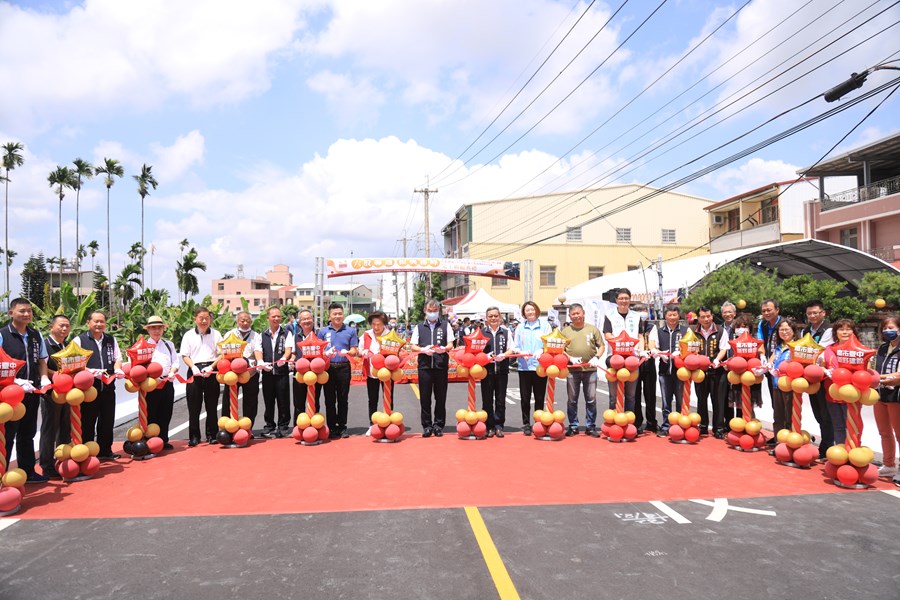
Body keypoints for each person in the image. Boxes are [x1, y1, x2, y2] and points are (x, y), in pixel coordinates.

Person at [2, 298, 50, 482]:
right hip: (10, 395)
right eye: (22, 311)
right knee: (7, 435)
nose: (26, 314)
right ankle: (2, 475)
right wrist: (14, 380)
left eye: (29, 311)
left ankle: (28, 471)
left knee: (27, 433)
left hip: (32, 392)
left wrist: (44, 378)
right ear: (11, 313)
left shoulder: (35, 335)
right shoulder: (3, 335)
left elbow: (42, 361)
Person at [75, 310, 122, 460]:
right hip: (89, 388)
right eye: (95, 321)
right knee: (88, 421)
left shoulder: (111, 340)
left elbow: (117, 358)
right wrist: (91, 371)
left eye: (102, 321)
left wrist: (118, 369)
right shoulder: (79, 340)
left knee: (107, 420)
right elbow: (74, 363)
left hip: (108, 386)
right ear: (88, 322)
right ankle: (87, 453)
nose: (99, 324)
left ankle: (105, 451)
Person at [410, 298, 454, 437]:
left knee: (441, 397)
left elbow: (451, 344)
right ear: (425, 311)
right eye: (430, 311)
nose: (432, 313)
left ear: (439, 312)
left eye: (435, 311)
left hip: (440, 366)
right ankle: (427, 425)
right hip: (425, 367)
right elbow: (413, 346)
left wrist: (443, 348)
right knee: (425, 397)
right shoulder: (419, 326)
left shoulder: (445, 325)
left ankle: (439, 425)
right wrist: (423, 349)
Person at [179, 306, 222, 446]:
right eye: (201, 318)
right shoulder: (188, 335)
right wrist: (193, 367)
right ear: (195, 319)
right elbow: (185, 355)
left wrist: (212, 366)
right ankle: (194, 436)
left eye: (207, 318)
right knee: (194, 407)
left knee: (212, 405)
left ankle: (212, 435)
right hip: (194, 370)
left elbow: (222, 354)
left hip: (211, 369)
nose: (204, 321)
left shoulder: (216, 334)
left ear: (210, 319)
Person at [562, 303, 605, 437]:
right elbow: (560, 349)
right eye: (573, 314)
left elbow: (602, 346)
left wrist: (597, 357)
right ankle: (573, 426)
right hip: (572, 370)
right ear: (569, 316)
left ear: (583, 313)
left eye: (578, 313)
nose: (576, 316)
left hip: (590, 369)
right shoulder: (565, 331)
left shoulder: (593, 329)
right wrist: (570, 358)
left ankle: (590, 426)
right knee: (572, 400)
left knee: (591, 399)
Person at [318, 303, 358, 438]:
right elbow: (319, 351)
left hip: (344, 368)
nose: (337, 316)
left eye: (340, 314)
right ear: (329, 316)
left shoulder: (350, 331)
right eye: (335, 314)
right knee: (329, 399)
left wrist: (348, 352)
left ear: (343, 315)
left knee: (343, 398)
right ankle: (332, 427)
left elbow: (354, 349)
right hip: (328, 369)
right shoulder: (323, 332)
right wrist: (325, 353)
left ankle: (342, 427)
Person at [39, 314, 71, 479]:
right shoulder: (45, 345)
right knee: (49, 430)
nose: (64, 328)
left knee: (65, 429)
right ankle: (47, 466)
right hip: (51, 393)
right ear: (51, 327)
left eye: (67, 325)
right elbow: (41, 366)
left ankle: (62, 460)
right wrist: (60, 375)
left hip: (67, 394)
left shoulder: (68, 345)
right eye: (61, 325)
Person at [802, 300, 834, 458]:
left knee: (826, 412)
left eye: (815, 313)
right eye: (809, 313)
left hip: (824, 376)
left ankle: (828, 446)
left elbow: (819, 351)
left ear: (823, 313)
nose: (812, 316)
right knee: (818, 412)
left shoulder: (829, 329)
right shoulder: (806, 330)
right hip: (810, 376)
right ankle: (826, 444)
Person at [513, 301, 551, 436]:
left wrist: (542, 349)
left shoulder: (545, 326)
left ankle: (538, 421)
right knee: (525, 397)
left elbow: (549, 343)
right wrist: (519, 352)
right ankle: (526, 423)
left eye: (532, 309)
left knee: (540, 396)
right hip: (524, 367)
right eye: (527, 310)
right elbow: (515, 345)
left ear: (537, 310)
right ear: (524, 313)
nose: (530, 312)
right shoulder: (520, 327)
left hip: (540, 366)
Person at [820, 319, 858, 446]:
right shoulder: (829, 349)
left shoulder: (859, 349)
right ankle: (840, 454)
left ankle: (853, 454)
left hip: (851, 395)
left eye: (848, 329)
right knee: (838, 426)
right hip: (832, 394)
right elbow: (821, 365)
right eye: (841, 329)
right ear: (835, 332)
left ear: (854, 331)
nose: (845, 332)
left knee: (852, 428)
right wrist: (825, 371)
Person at [143, 315, 179, 450]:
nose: (156, 331)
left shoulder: (169, 345)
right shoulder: (143, 345)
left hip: (167, 381)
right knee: (151, 412)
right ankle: (150, 440)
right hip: (151, 384)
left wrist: (172, 372)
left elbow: (175, 361)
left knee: (166, 411)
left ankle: (163, 439)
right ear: (148, 330)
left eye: (159, 328)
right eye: (153, 328)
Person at [221, 311, 261, 429]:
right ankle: (228, 427)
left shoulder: (256, 335)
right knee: (228, 399)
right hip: (232, 373)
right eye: (242, 320)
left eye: (248, 321)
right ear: (237, 321)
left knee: (251, 401)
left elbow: (258, 350)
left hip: (250, 372)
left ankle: (248, 427)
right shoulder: (230, 334)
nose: (245, 323)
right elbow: (224, 352)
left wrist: (260, 362)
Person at [603, 288, 641, 411]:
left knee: (631, 395)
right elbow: (607, 334)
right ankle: (613, 421)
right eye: (621, 298)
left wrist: (642, 349)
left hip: (632, 358)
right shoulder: (609, 315)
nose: (623, 301)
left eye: (626, 298)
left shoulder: (636, 316)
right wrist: (620, 342)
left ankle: (629, 422)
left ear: (630, 300)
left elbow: (640, 335)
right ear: (616, 300)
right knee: (613, 395)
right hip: (615, 358)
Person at [259, 306, 294, 438]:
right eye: (273, 316)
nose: (276, 318)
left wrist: (284, 358)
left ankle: (283, 426)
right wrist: (261, 362)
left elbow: (288, 349)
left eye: (278, 316)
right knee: (268, 401)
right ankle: (269, 426)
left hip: (281, 372)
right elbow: (259, 350)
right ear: (268, 318)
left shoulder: (286, 333)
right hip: (267, 374)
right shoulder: (263, 334)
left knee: (283, 400)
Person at [874, 315, 900, 477]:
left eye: (891, 328)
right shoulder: (882, 347)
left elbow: (898, 375)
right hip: (880, 395)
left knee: (899, 434)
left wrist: (878, 379)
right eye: (885, 329)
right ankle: (888, 464)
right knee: (884, 432)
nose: (887, 331)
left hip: (896, 396)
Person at [481, 306, 513, 438]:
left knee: (500, 399)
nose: (493, 318)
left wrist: (504, 355)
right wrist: (485, 357)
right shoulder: (481, 333)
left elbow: (512, 349)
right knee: (487, 400)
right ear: (486, 318)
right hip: (486, 371)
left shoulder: (506, 332)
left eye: (495, 316)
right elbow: (476, 351)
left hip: (502, 370)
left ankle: (499, 426)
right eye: (490, 316)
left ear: (499, 317)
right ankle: (489, 426)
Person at [656, 305, 685, 437]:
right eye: (670, 315)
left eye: (675, 315)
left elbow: (692, 348)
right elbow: (654, 346)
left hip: (681, 372)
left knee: (680, 401)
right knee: (666, 402)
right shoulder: (659, 331)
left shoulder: (685, 331)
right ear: (665, 316)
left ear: (679, 316)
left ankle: (681, 425)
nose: (672, 318)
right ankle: (666, 426)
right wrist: (659, 353)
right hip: (664, 371)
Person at [694, 306, 723, 437]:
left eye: (708, 316)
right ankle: (703, 426)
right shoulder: (693, 331)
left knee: (717, 400)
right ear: (698, 318)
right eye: (702, 317)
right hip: (699, 371)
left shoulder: (720, 330)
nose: (706, 319)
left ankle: (718, 428)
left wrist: (717, 359)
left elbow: (724, 348)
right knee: (701, 399)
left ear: (712, 316)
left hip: (716, 371)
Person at [360, 311, 393, 425]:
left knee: (388, 397)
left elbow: (396, 352)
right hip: (371, 372)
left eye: (379, 324)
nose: (376, 327)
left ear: (384, 324)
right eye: (373, 324)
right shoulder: (366, 335)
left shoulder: (390, 335)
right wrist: (363, 352)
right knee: (372, 399)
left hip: (387, 372)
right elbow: (359, 351)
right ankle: (372, 423)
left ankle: (388, 421)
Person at [757, 298, 783, 431]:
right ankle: (778, 435)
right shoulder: (763, 324)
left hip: (783, 369)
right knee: (775, 402)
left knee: (784, 403)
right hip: (769, 368)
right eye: (764, 311)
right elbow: (760, 341)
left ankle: (786, 435)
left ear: (777, 310)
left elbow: (782, 346)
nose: (766, 313)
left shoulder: (784, 324)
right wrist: (762, 355)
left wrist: (770, 362)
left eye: (769, 310)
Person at [771, 318, 797, 436]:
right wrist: (765, 367)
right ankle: (778, 442)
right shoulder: (778, 347)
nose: (784, 332)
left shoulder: (797, 347)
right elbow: (770, 362)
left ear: (793, 331)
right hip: (776, 385)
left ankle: (790, 442)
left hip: (789, 386)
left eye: (787, 329)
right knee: (778, 416)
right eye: (781, 330)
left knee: (789, 415)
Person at [633, 313, 659, 434]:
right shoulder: (632, 326)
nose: (642, 316)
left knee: (650, 394)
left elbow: (654, 342)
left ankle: (651, 422)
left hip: (649, 363)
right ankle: (637, 422)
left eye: (644, 313)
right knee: (635, 394)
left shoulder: (651, 327)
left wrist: (652, 350)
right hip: (635, 363)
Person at [291, 309, 318, 420]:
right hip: (300, 373)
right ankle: (299, 426)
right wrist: (291, 361)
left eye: (309, 318)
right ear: (299, 322)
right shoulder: (295, 337)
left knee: (314, 401)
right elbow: (293, 354)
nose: (306, 321)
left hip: (316, 373)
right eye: (304, 319)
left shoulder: (319, 335)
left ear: (313, 320)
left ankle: (315, 425)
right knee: (298, 401)